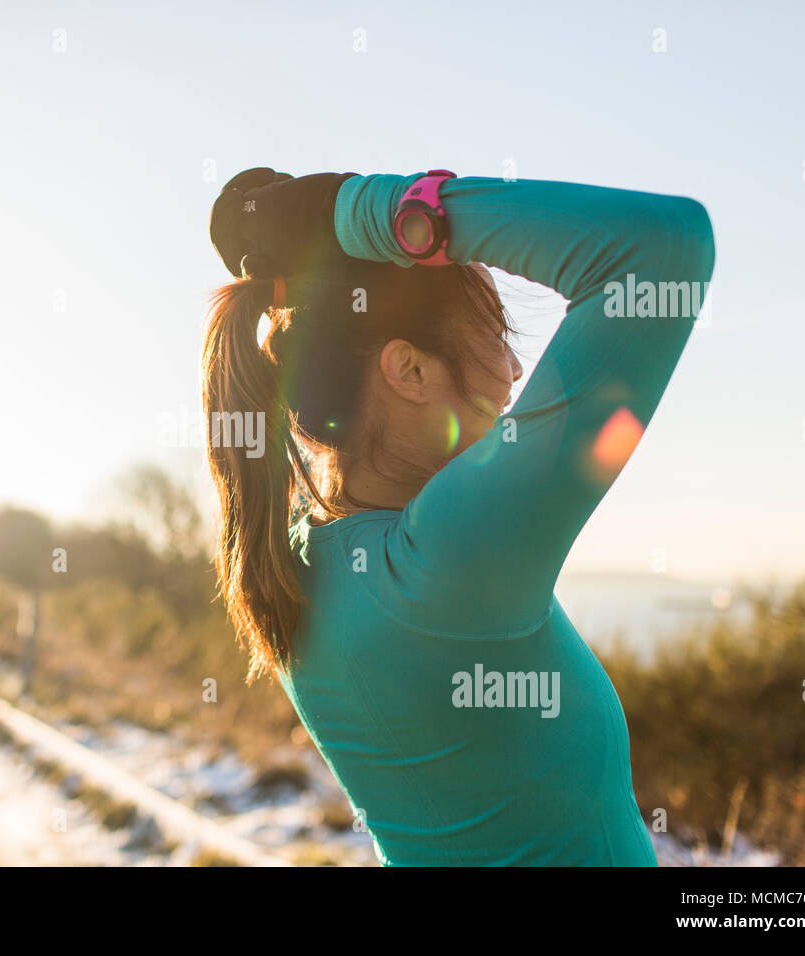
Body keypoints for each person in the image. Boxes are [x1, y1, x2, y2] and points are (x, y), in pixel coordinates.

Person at [202, 168, 715, 865]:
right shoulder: (449, 558)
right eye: (494, 334)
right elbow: (665, 250)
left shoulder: (296, 556)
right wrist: (354, 210)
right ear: (407, 371)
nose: (512, 367)